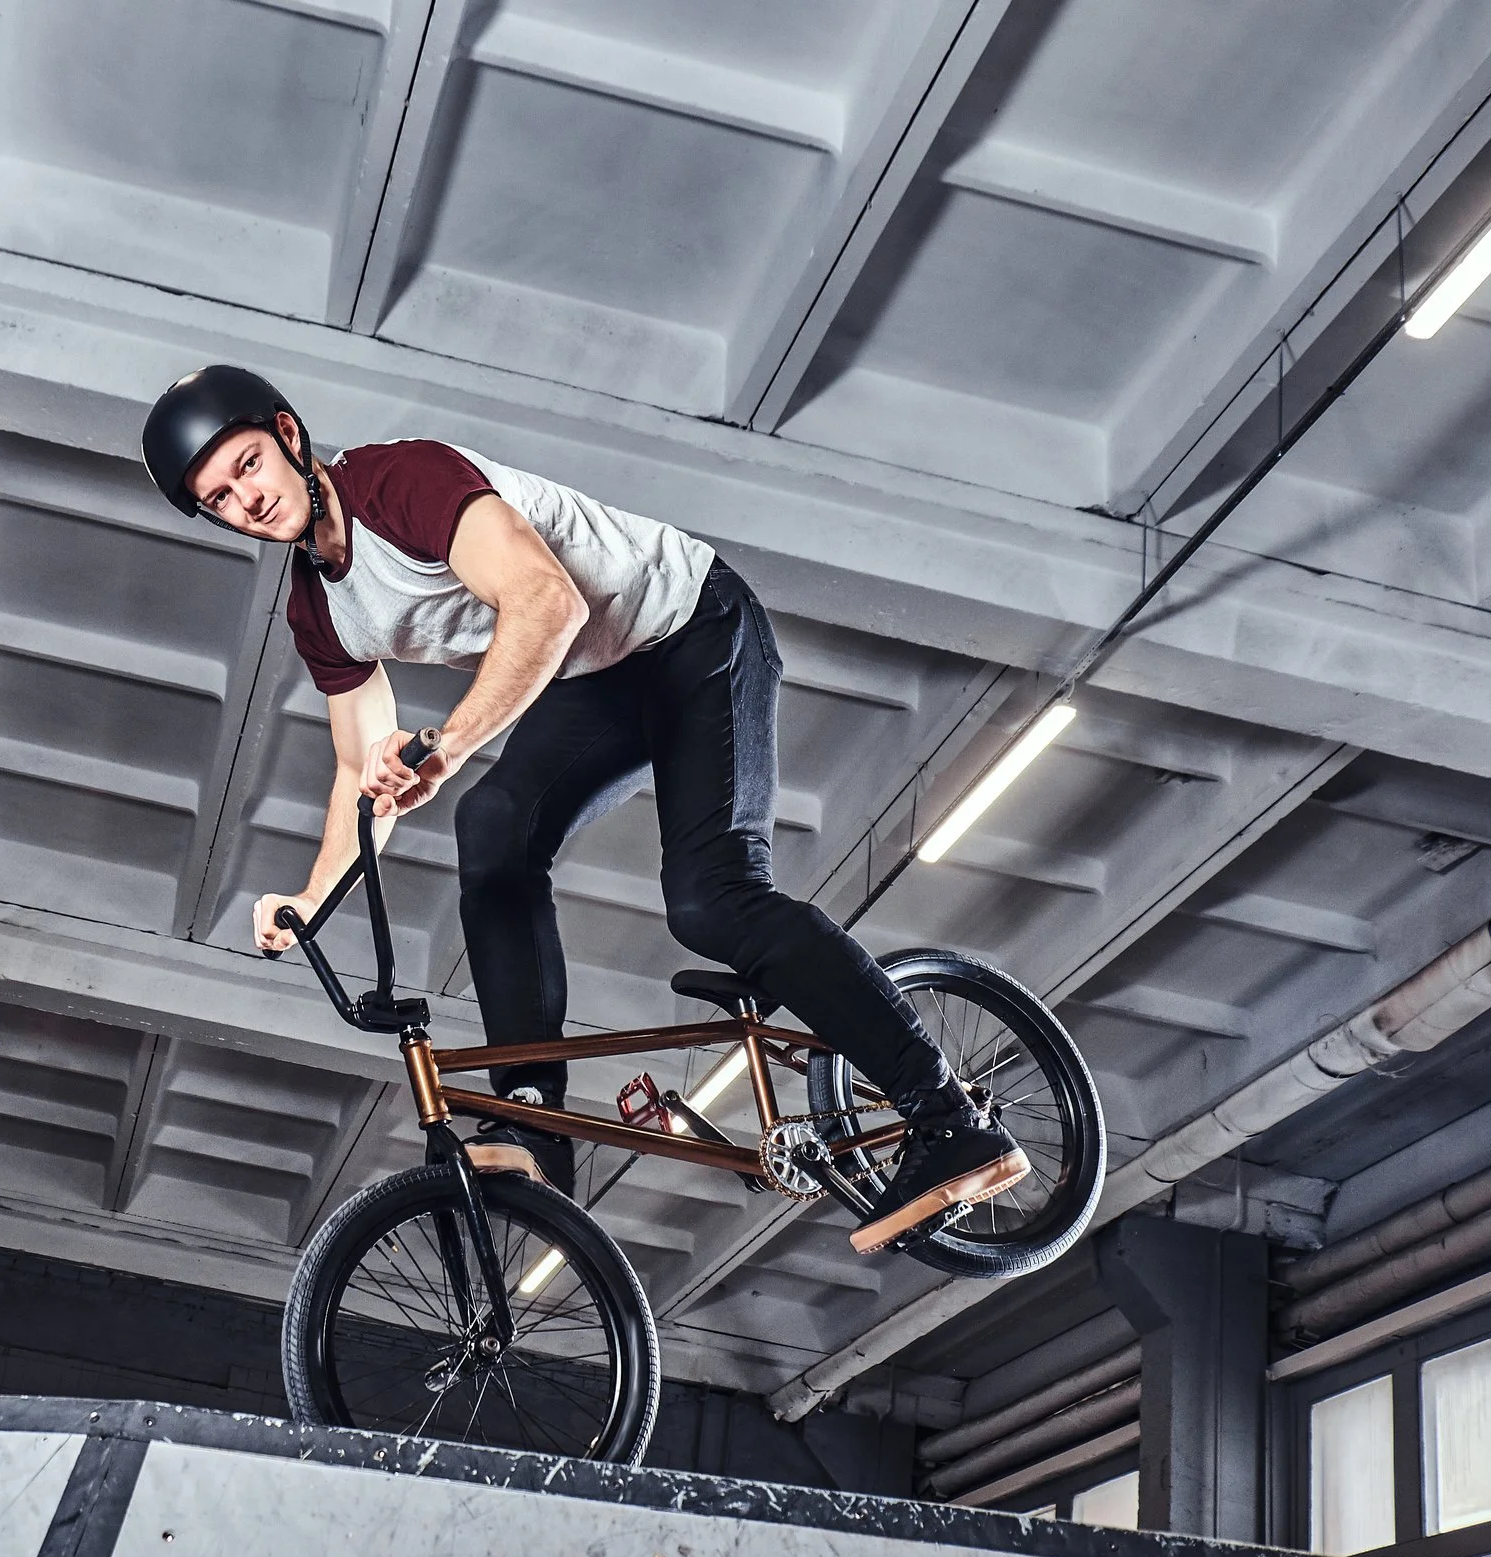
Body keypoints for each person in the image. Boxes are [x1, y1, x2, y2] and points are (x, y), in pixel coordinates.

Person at [139, 365, 1025, 1248]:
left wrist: (448, 744)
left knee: (712, 901)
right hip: (598, 679)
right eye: (220, 499)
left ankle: (950, 1119)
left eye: (248, 466)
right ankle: (533, 1119)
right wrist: (311, 899)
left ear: (288, 436)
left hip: (691, 626)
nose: (247, 500)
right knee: (493, 827)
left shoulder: (398, 482)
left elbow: (546, 602)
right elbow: (356, 771)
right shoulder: (319, 610)